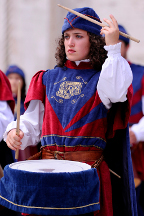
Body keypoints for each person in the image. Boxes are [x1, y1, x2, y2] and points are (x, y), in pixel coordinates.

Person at [3, 7, 137, 216]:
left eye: (78, 36)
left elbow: (117, 90)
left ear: (93, 40)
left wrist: (112, 47)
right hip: (47, 175)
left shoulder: (103, 79)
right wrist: (16, 131)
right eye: (66, 36)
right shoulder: (46, 78)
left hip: (86, 177)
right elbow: (32, 123)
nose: (70, 42)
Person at [118, 24, 144, 216]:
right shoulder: (96, 73)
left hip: (136, 150)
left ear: (127, 46)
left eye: (118, 42)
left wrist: (136, 132)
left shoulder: (142, 74)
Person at [5, 65, 40, 161]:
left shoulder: (28, 101)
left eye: (17, 78)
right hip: (7, 144)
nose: (13, 82)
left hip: (25, 144)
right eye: (10, 78)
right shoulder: (4, 103)